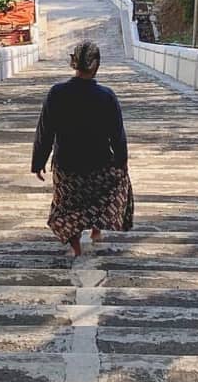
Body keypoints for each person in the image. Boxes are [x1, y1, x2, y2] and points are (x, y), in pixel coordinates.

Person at [31, 40, 133, 257]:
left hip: (67, 166)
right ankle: (96, 229)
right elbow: (117, 134)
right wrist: (122, 161)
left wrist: (38, 162)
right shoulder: (106, 96)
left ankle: (76, 247)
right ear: (96, 66)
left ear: (73, 62)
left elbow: (45, 131)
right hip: (99, 163)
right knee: (103, 193)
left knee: (68, 205)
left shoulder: (57, 93)